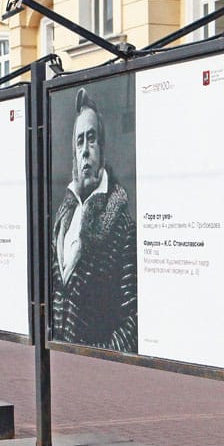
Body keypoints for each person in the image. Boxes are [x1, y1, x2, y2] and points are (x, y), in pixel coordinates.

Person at [50, 87, 137, 353]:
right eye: (79, 142)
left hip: (94, 368)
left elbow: (133, 320)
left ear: (102, 147)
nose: (85, 150)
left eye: (91, 139)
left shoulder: (121, 222)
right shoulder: (64, 215)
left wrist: (98, 355)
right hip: (61, 363)